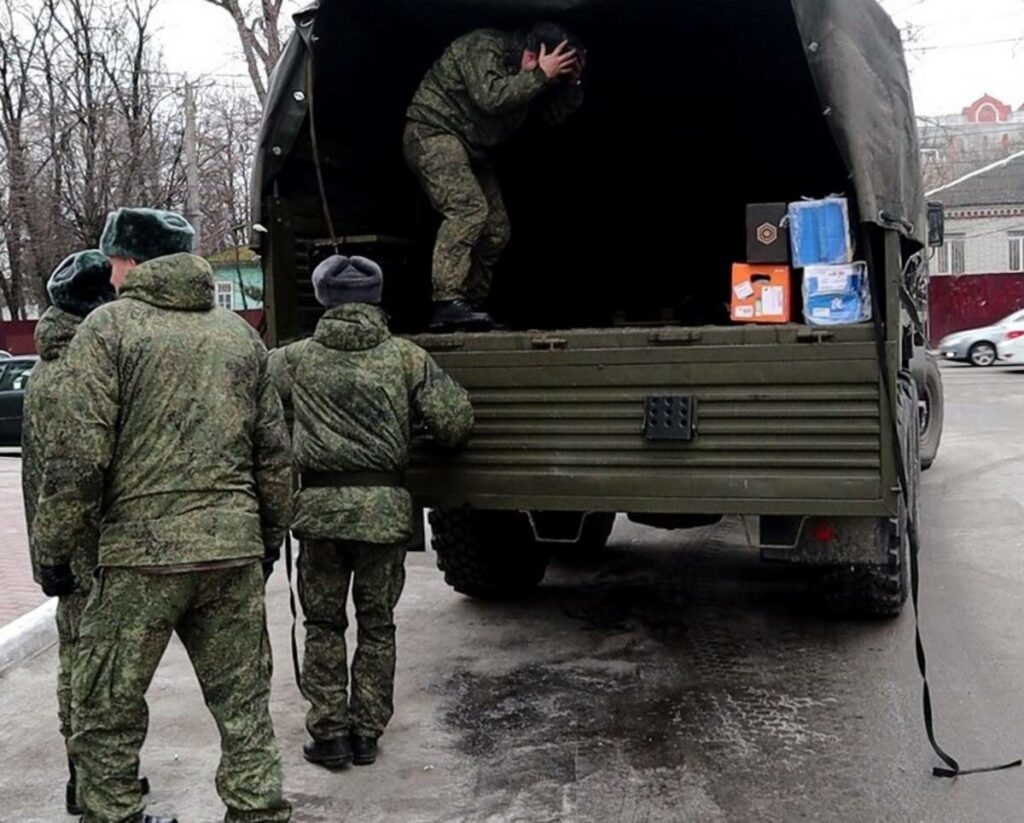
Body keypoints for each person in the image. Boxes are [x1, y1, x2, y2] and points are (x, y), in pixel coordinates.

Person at [31, 207, 293, 823]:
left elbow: (78, 457)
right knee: (244, 706)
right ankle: (257, 810)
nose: (110, 275)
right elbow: (274, 454)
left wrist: (54, 550)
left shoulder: (108, 329)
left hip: (140, 558)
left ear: (130, 260)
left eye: (113, 261)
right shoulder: (238, 336)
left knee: (107, 708)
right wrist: (269, 537)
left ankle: (114, 814)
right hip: (231, 549)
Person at [268, 254, 474, 768]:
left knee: (322, 624)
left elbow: (253, 411)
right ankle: (366, 734)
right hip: (383, 514)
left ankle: (330, 736)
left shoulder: (293, 360)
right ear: (376, 299)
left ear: (323, 300)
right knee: (377, 625)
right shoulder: (406, 358)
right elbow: (454, 425)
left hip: (319, 515)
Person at [21, 251, 146, 817]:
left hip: (60, 539)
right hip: (91, 540)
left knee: (75, 657)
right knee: (101, 668)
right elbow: (84, 468)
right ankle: (98, 780)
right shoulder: (84, 368)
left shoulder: (47, 364)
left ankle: (83, 775)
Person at [405, 22, 585, 331]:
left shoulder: (533, 76)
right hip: (433, 132)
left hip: (473, 149)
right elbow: (491, 98)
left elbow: (552, 117)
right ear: (534, 55)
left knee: (497, 230)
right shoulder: (484, 47)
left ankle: (469, 307)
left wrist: (571, 85)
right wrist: (540, 76)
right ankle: (447, 302)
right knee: (467, 209)